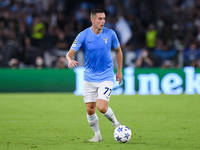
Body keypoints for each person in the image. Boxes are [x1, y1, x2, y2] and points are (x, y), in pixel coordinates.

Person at [66, 9, 123, 142]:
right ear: (92, 20)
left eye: (104, 18)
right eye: (100, 19)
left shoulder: (110, 34)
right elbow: (70, 53)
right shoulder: (83, 35)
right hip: (89, 78)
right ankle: (97, 136)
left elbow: (119, 51)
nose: (103, 21)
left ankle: (116, 123)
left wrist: (119, 71)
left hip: (106, 76)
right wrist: (70, 60)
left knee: (101, 107)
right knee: (90, 110)